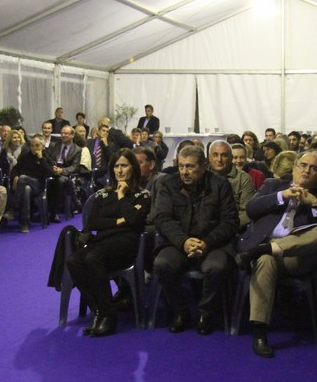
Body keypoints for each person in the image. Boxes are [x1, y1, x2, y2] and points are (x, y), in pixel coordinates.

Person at [240, 151, 317, 358]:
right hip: (265, 251)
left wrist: (313, 205)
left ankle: (265, 249)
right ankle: (260, 332)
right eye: (303, 165)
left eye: (313, 168)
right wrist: (282, 196)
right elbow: (251, 209)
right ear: (294, 168)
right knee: (265, 259)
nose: (306, 171)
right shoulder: (273, 185)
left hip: (294, 257)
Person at [150, 144, 239, 335]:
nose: (184, 172)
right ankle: (180, 311)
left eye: (190, 167)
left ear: (204, 167)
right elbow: (162, 218)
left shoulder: (220, 185)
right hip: (178, 242)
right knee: (162, 264)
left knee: (217, 267)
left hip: (212, 243)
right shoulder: (168, 184)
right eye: (181, 166)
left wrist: (207, 243)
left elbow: (230, 222)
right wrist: (183, 242)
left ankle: (205, 313)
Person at [63, 150, 152, 337]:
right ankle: (100, 310)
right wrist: (119, 221)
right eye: (116, 166)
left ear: (133, 168)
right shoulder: (102, 194)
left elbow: (134, 220)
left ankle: (108, 316)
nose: (119, 170)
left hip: (128, 243)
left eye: (124, 165)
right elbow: (93, 222)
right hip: (103, 241)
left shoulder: (142, 195)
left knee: (93, 258)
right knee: (73, 260)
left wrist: (121, 196)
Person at [11, 134, 52, 232]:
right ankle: (25, 224)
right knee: (26, 189)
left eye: (37, 145)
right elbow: (15, 169)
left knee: (23, 178)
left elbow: (50, 174)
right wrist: (15, 176)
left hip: (39, 185)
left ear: (42, 146)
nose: (34, 148)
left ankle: (13, 206)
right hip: (24, 186)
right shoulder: (25, 156)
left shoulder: (46, 157)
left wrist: (41, 159)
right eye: (32, 146)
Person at [45, 125, 85, 221]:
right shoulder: (54, 145)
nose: (63, 135)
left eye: (66, 133)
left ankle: (54, 212)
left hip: (65, 174)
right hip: (52, 171)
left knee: (60, 181)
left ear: (72, 135)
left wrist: (62, 171)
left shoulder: (77, 149)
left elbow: (75, 167)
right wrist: (53, 168)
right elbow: (47, 159)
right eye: (62, 133)